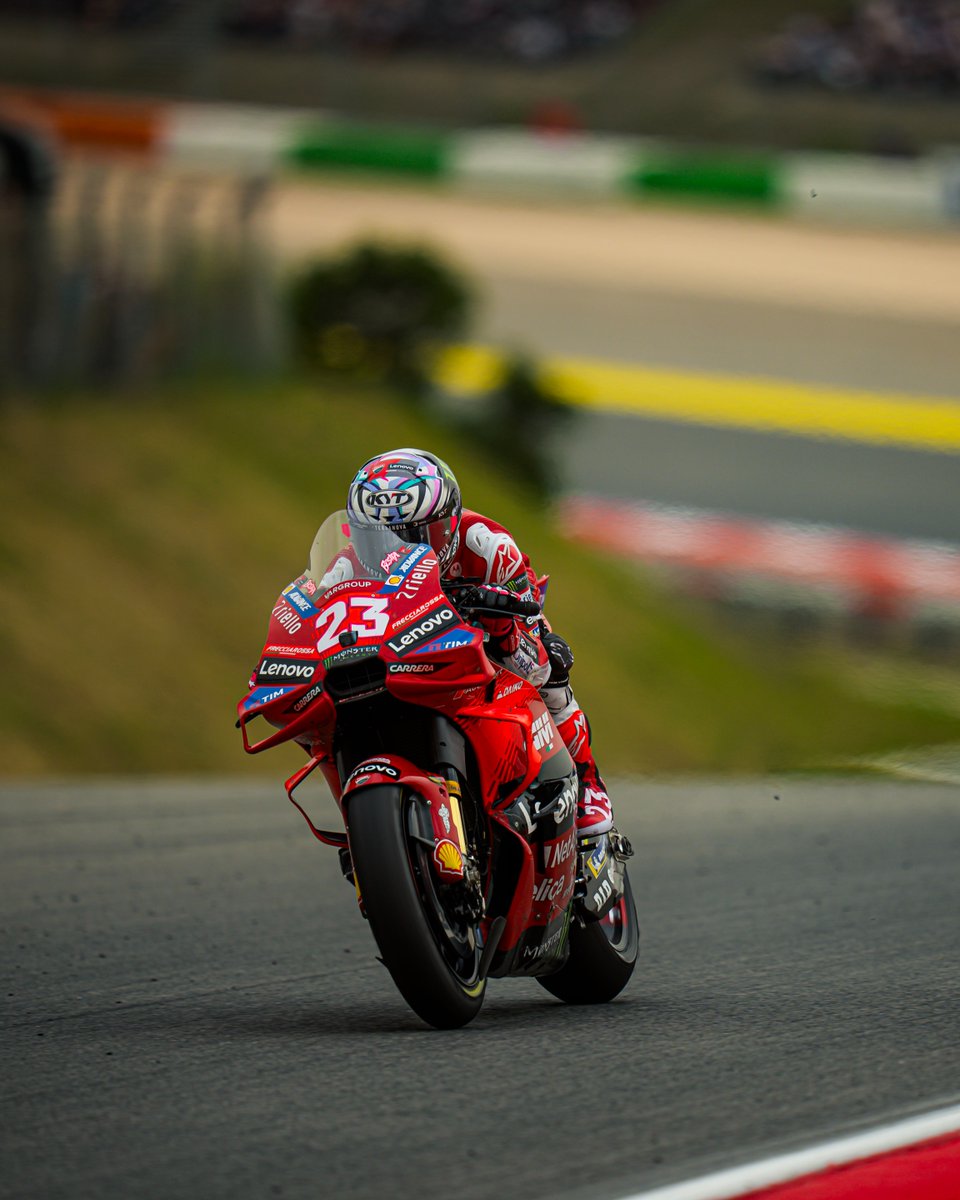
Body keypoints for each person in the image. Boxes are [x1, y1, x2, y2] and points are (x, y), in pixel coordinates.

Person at [345, 447, 613, 837]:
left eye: (418, 535)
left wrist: (499, 622)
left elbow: (528, 611)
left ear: (449, 522)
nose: (396, 550)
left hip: (489, 630)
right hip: (403, 646)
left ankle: (589, 787)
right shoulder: (347, 564)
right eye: (377, 539)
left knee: (549, 667)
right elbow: (320, 606)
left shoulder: (487, 545)